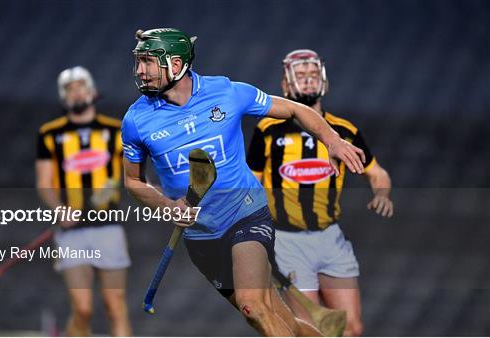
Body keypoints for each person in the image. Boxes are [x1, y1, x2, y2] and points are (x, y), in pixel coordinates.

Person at [122, 28, 366, 337]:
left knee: (253, 304)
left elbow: (294, 109)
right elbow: (133, 181)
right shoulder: (136, 120)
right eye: (138, 61)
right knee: (277, 319)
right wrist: (167, 206)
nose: (140, 70)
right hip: (202, 240)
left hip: (246, 215)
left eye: (147, 61)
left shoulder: (226, 92)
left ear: (175, 64)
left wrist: (331, 140)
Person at [246, 49, 394, 336]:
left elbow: (376, 172)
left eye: (313, 75)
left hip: (330, 237)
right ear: (286, 85)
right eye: (301, 76)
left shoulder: (344, 130)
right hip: (288, 241)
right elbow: (251, 182)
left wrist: (382, 194)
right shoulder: (268, 130)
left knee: (350, 327)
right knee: (312, 329)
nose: (309, 81)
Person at [36, 66, 132, 336]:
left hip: (108, 227)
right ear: (63, 96)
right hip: (72, 232)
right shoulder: (50, 133)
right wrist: (59, 209)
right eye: (69, 89)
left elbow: (132, 174)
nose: (76, 93)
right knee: (83, 308)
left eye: (80, 86)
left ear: (92, 91)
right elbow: (44, 182)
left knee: (116, 305)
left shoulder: (116, 131)